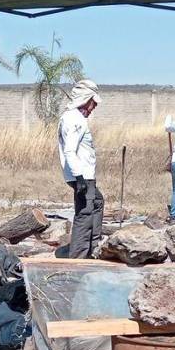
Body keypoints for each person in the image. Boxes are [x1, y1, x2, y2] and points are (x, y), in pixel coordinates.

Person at [59, 80, 104, 258]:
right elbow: (70, 150)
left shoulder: (75, 118)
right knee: (84, 214)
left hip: (84, 175)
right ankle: (78, 257)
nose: (94, 107)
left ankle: (94, 246)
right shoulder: (74, 119)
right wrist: (79, 178)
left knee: (98, 202)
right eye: (93, 103)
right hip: (82, 176)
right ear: (86, 100)